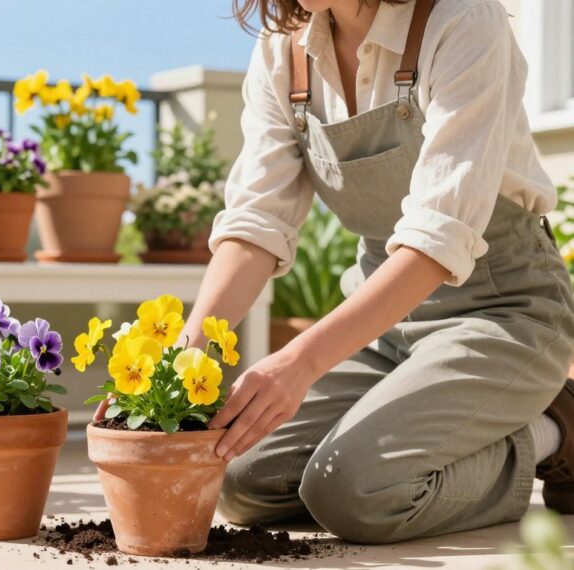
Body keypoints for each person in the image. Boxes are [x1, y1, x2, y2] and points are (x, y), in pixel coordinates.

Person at [103, 0, 574, 544]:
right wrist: (182, 361)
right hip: (383, 327)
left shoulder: (463, 21)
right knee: (237, 477)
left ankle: (554, 431)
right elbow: (257, 223)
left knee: (356, 492)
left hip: (502, 312)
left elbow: (437, 237)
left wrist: (300, 363)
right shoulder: (283, 52)